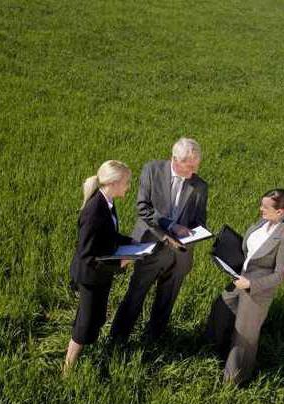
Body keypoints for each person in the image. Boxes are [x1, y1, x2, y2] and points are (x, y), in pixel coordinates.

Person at [110, 137, 208, 344]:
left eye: (196, 166)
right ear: (174, 159)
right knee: (136, 294)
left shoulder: (200, 186)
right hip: (151, 245)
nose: (194, 172)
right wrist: (171, 227)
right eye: (189, 166)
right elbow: (143, 208)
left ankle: (153, 339)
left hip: (181, 254)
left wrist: (193, 233)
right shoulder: (152, 170)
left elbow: (200, 220)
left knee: (167, 298)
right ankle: (118, 338)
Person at [210, 189, 284, 385]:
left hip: (257, 291)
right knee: (220, 310)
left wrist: (251, 284)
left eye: (266, 207)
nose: (261, 209)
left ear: (280, 212)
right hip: (239, 279)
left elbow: (281, 275)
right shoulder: (262, 222)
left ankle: (234, 381)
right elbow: (250, 250)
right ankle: (218, 355)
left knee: (244, 336)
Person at [63, 160, 133, 375]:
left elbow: (109, 237)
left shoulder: (108, 202)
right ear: (114, 183)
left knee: (96, 317)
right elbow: (86, 255)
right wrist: (119, 262)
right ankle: (67, 369)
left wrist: (134, 243)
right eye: (127, 182)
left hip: (101, 275)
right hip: (90, 276)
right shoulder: (94, 211)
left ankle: (84, 351)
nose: (129, 186)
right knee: (86, 322)